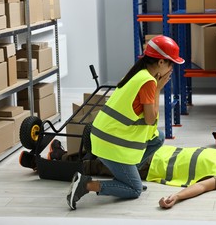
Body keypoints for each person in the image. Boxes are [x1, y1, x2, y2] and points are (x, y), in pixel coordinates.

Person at [66, 35, 185, 210]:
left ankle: (128, 177)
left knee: (158, 138)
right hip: (110, 143)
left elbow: (149, 125)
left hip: (104, 135)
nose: (171, 69)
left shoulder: (138, 73)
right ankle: (85, 185)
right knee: (135, 190)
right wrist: (159, 89)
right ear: (161, 62)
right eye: (171, 64)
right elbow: (150, 119)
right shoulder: (149, 82)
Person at [57, 137, 216, 209]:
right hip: (156, 152)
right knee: (105, 154)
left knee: (99, 165)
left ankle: (55, 164)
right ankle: (60, 155)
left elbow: (202, 187)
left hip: (151, 167)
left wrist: (177, 198)